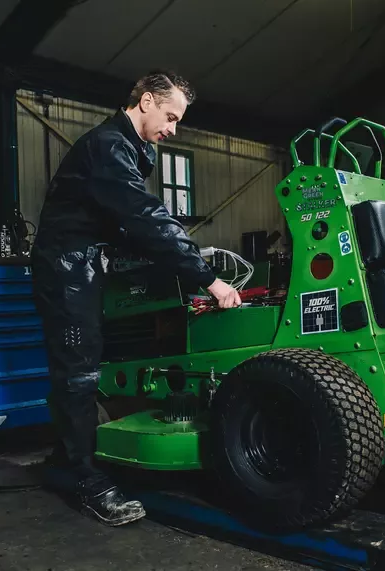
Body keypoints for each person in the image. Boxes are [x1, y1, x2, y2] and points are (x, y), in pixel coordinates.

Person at [30, 70, 242, 526]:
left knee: (92, 363)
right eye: (171, 116)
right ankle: (88, 482)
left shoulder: (129, 148)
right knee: (79, 371)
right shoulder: (108, 146)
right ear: (146, 101)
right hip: (67, 270)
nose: (173, 128)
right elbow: (144, 216)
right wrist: (209, 279)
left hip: (89, 264)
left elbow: (128, 223)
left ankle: (68, 455)